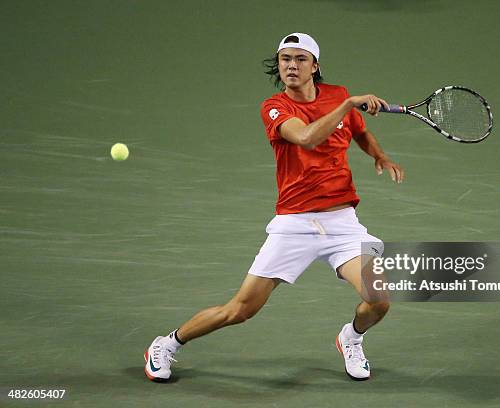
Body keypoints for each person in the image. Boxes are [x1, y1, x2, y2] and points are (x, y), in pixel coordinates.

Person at [144, 32, 404, 382]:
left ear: (315, 66)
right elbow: (307, 137)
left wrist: (380, 155)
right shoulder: (275, 106)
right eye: (285, 59)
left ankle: (352, 338)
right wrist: (346, 106)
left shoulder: (338, 95)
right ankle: (167, 344)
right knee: (240, 310)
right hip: (294, 225)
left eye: (300, 59)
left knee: (379, 299)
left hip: (342, 224)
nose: (291, 66)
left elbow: (357, 129)